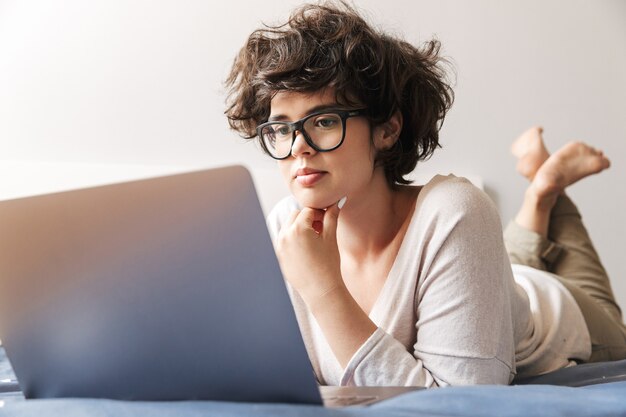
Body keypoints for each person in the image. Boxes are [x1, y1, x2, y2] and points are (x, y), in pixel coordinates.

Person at [224, 1, 626, 387]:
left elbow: (459, 401)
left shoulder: (455, 212)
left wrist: (324, 289)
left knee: (591, 301)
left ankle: (545, 189)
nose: (297, 147)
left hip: (557, 315)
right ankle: (539, 187)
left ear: (387, 130)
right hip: (485, 279)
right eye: (280, 129)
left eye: (324, 121)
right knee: (512, 261)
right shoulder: (286, 227)